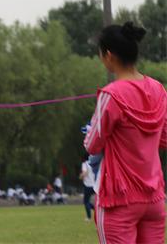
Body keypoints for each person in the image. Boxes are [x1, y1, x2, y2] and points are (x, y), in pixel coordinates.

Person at [84, 22, 167, 244]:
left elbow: (92, 144)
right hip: (155, 199)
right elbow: (165, 138)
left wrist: (91, 129)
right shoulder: (159, 89)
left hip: (118, 200)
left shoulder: (111, 95)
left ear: (109, 55)